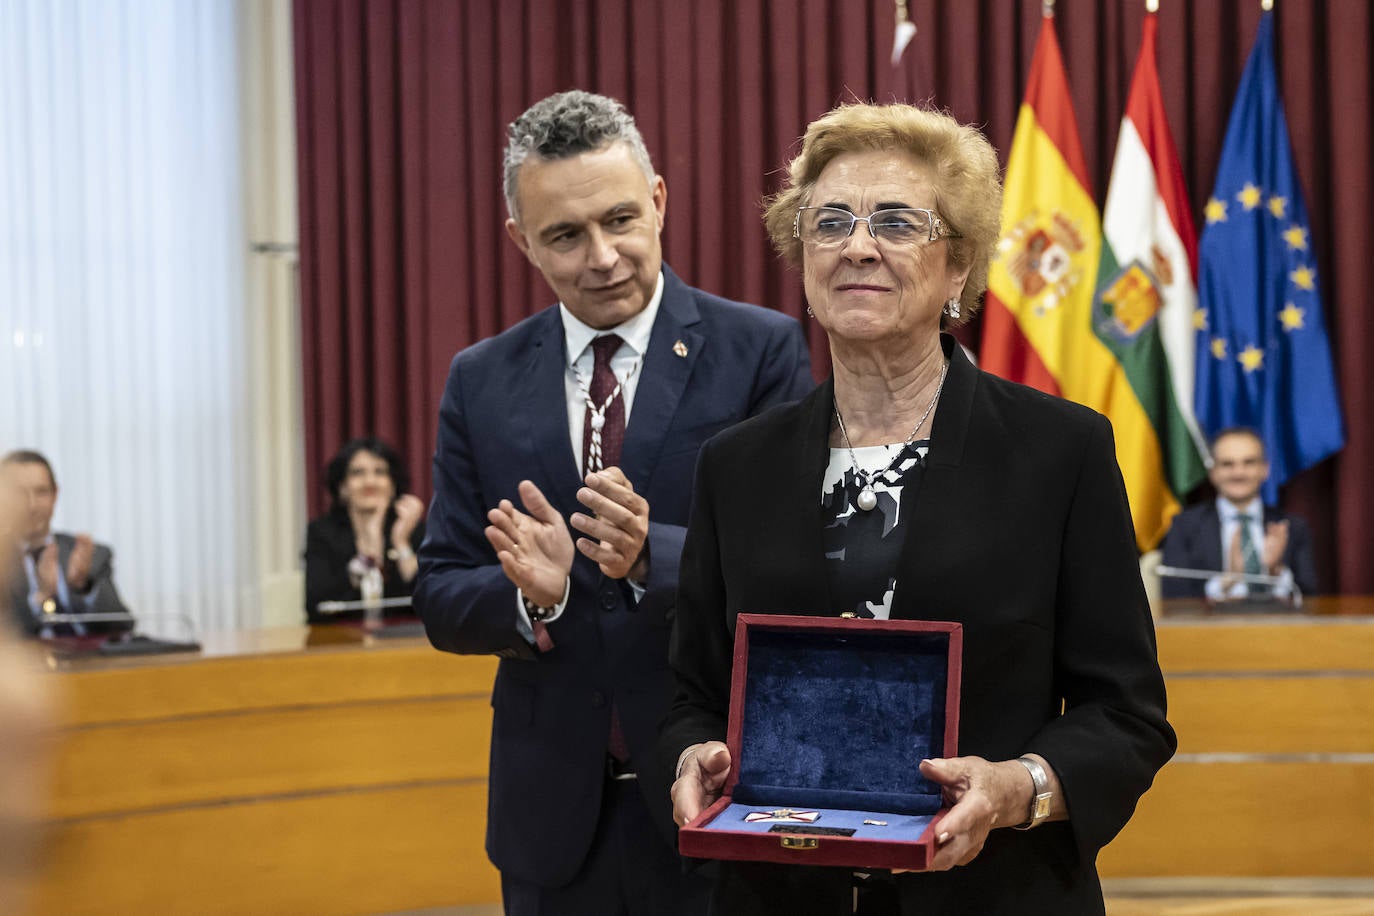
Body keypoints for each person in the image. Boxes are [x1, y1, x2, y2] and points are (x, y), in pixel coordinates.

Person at [661, 103, 1176, 913]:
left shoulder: (1060, 452)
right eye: (829, 222)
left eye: (898, 222)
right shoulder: (736, 466)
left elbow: (1127, 714)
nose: (858, 245)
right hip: (777, 895)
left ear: (959, 263)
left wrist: (1018, 788)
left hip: (996, 892)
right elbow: (689, 689)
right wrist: (691, 755)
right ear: (802, 256)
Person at [414, 90, 813, 916]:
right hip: (552, 824)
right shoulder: (480, 380)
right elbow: (442, 589)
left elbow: (797, 568)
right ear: (522, 241)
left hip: (717, 796)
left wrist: (652, 557)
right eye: (565, 234)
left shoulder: (758, 351)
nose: (603, 256)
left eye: (621, 219)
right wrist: (536, 596)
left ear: (660, 201)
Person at [1160, 427, 1317, 603]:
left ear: (1265, 469)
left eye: (1249, 463)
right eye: (1227, 464)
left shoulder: (1292, 527)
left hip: (1277, 627)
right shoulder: (1184, 526)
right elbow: (1173, 597)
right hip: (1211, 628)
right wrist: (1229, 580)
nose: (1238, 473)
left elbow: (1310, 598)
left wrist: (1275, 571)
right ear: (1213, 473)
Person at [3, 450, 134, 638]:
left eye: (41, 492)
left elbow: (121, 627)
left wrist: (83, 587)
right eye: (19, 494)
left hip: (90, 664)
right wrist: (40, 599)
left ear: (55, 495)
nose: (32, 505)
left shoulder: (90, 555)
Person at [304, 436, 426, 623]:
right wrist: (367, 557)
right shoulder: (322, 533)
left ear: (392, 485)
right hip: (341, 642)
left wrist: (401, 544)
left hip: (403, 642)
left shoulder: (412, 529)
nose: (370, 482)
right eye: (358, 473)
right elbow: (316, 604)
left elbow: (429, 599)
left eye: (379, 472)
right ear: (342, 486)